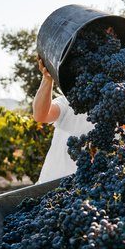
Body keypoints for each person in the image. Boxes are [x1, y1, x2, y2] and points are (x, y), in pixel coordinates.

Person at [33, 55, 94, 184]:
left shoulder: (114, 110)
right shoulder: (68, 102)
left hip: (88, 194)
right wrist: (47, 79)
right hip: (48, 188)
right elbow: (40, 115)